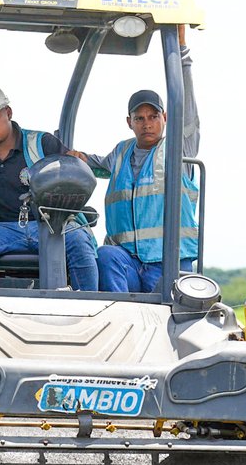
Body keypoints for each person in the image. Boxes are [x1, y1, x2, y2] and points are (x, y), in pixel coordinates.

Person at [70, 25, 200, 293]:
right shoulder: (121, 152)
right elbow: (94, 163)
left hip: (168, 263)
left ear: (165, 118)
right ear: (129, 122)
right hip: (128, 260)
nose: (147, 124)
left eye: (153, 117)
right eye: (139, 118)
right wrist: (71, 156)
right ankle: (116, 313)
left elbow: (187, 113)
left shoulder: (179, 149)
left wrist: (181, 53)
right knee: (104, 255)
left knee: (170, 309)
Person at [0, 83, 98, 290]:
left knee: (78, 239)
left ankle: (89, 303)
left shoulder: (42, 143)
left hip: (48, 225)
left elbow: (72, 172)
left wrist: (76, 161)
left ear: (8, 112)